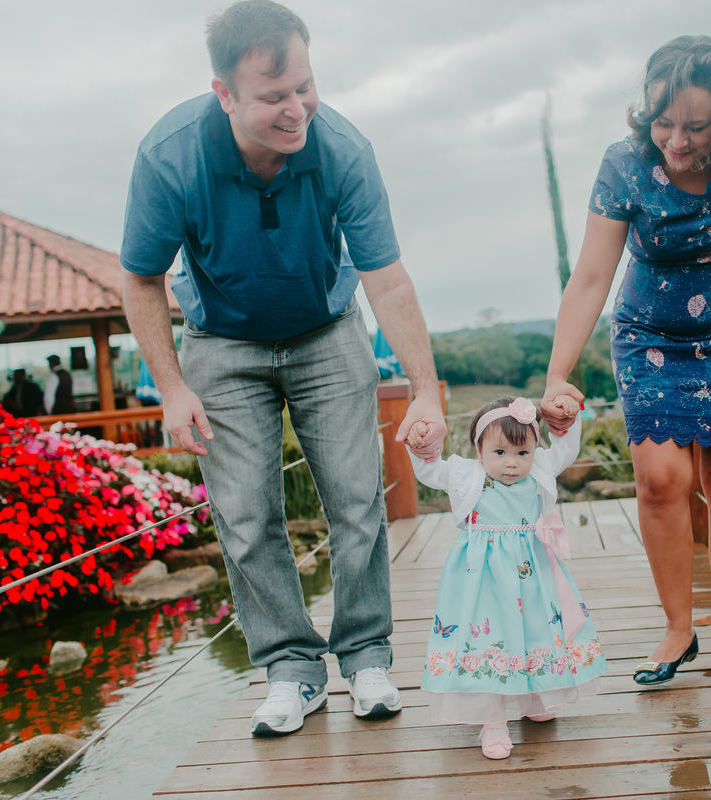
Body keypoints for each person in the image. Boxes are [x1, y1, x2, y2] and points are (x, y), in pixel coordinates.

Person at [119, 0, 446, 737]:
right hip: (222, 344)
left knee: (358, 500)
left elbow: (385, 277)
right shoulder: (169, 156)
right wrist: (172, 387)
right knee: (243, 515)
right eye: (274, 96)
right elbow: (140, 277)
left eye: (305, 85)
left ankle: (365, 656)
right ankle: (292, 671)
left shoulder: (343, 150)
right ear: (224, 94)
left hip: (326, 329)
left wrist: (425, 387)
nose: (297, 108)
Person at [541, 35, 711, 693]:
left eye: (695, 126)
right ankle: (677, 627)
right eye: (664, 122)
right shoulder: (624, 164)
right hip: (652, 335)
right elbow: (590, 275)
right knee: (661, 479)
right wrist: (560, 372)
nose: (677, 140)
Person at [404, 397, 606, 759]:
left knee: (533, 631)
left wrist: (565, 416)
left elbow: (566, 449)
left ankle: (533, 696)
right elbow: (430, 470)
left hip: (532, 573)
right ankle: (493, 720)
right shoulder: (467, 475)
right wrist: (422, 443)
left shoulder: (540, 468)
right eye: (499, 452)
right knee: (494, 639)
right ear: (478, 449)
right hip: (483, 579)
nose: (512, 463)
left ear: (534, 449)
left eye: (522, 452)